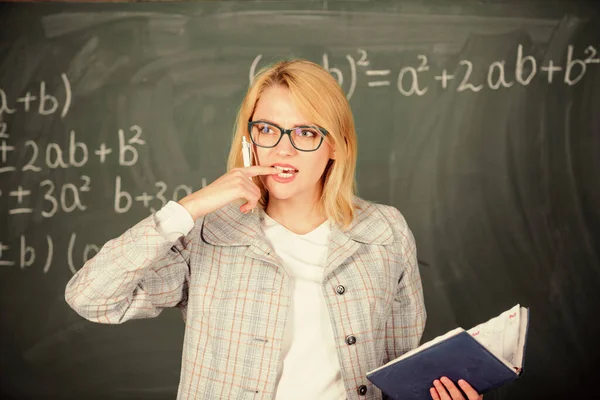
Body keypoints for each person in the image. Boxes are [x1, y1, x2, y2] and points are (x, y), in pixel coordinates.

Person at [65, 59, 482, 400]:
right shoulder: (209, 232)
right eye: (267, 129)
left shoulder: (384, 231)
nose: (282, 148)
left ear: (335, 145)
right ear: (250, 138)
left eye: (304, 132)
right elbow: (92, 298)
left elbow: (400, 370)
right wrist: (188, 209)